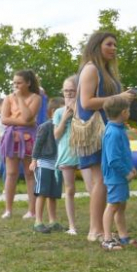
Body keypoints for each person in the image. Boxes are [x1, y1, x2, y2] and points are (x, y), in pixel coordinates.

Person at [74, 31, 137, 242]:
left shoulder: (106, 71)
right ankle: (96, 230)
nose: (114, 48)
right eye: (109, 44)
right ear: (96, 45)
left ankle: (103, 228)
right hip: (96, 131)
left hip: (108, 129)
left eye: (115, 45)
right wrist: (119, 96)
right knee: (101, 179)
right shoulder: (91, 69)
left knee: (103, 179)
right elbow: (86, 102)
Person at [0, 70, 42, 219]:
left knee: (30, 173)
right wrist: (26, 122)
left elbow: (28, 116)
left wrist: (19, 99)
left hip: (29, 138)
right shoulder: (8, 98)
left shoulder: (36, 98)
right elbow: (4, 119)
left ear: (28, 83)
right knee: (11, 173)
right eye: (14, 83)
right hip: (12, 138)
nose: (15, 86)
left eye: (19, 83)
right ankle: (8, 210)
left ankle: (32, 211)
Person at [100, 96, 137, 250]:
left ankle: (123, 236)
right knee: (113, 206)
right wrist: (126, 173)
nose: (129, 112)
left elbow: (123, 153)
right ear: (123, 112)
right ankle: (107, 239)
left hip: (120, 176)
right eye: (128, 110)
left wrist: (131, 167)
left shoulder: (119, 129)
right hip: (116, 177)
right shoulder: (113, 133)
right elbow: (113, 160)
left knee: (120, 206)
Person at [29, 97, 64, 233]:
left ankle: (53, 221)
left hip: (57, 164)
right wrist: (34, 160)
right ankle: (38, 221)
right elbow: (37, 144)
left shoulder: (65, 127)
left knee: (53, 194)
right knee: (42, 192)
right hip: (44, 163)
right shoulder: (45, 126)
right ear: (54, 111)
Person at [53, 76, 81, 235]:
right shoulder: (58, 112)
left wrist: (76, 110)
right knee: (69, 189)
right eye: (66, 91)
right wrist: (64, 118)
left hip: (83, 152)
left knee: (94, 187)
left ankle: (97, 225)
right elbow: (56, 135)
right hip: (66, 153)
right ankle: (72, 226)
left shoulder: (84, 109)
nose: (69, 94)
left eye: (72, 91)